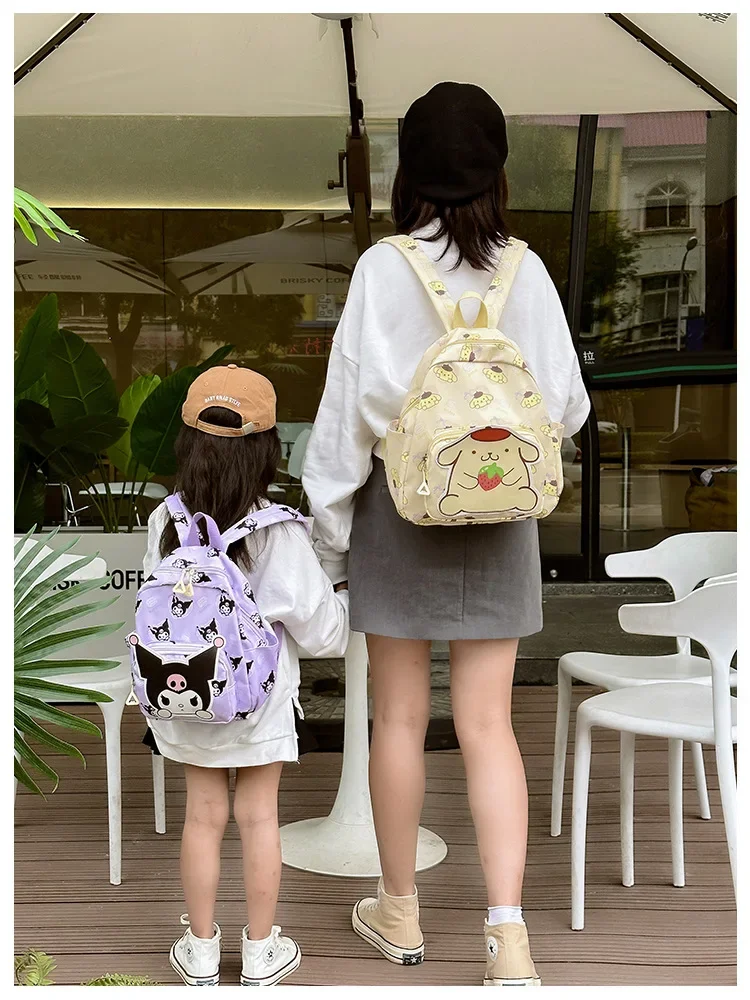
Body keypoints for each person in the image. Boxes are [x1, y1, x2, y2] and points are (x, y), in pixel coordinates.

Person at [302, 82, 590, 986]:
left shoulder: (382, 269)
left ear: (408, 174)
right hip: (502, 512)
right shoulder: (527, 272)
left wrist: (328, 536)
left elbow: (345, 417)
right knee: (490, 726)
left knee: (396, 720)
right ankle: (508, 938)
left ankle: (399, 911)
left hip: (401, 509)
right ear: (498, 172)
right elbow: (568, 407)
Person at [142, 364, 349, 987]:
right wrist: (342, 597)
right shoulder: (277, 531)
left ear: (186, 444)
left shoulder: (166, 521)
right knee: (259, 818)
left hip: (186, 694)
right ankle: (260, 952)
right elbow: (325, 634)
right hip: (258, 702)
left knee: (202, 817)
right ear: (266, 450)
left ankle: (201, 951)